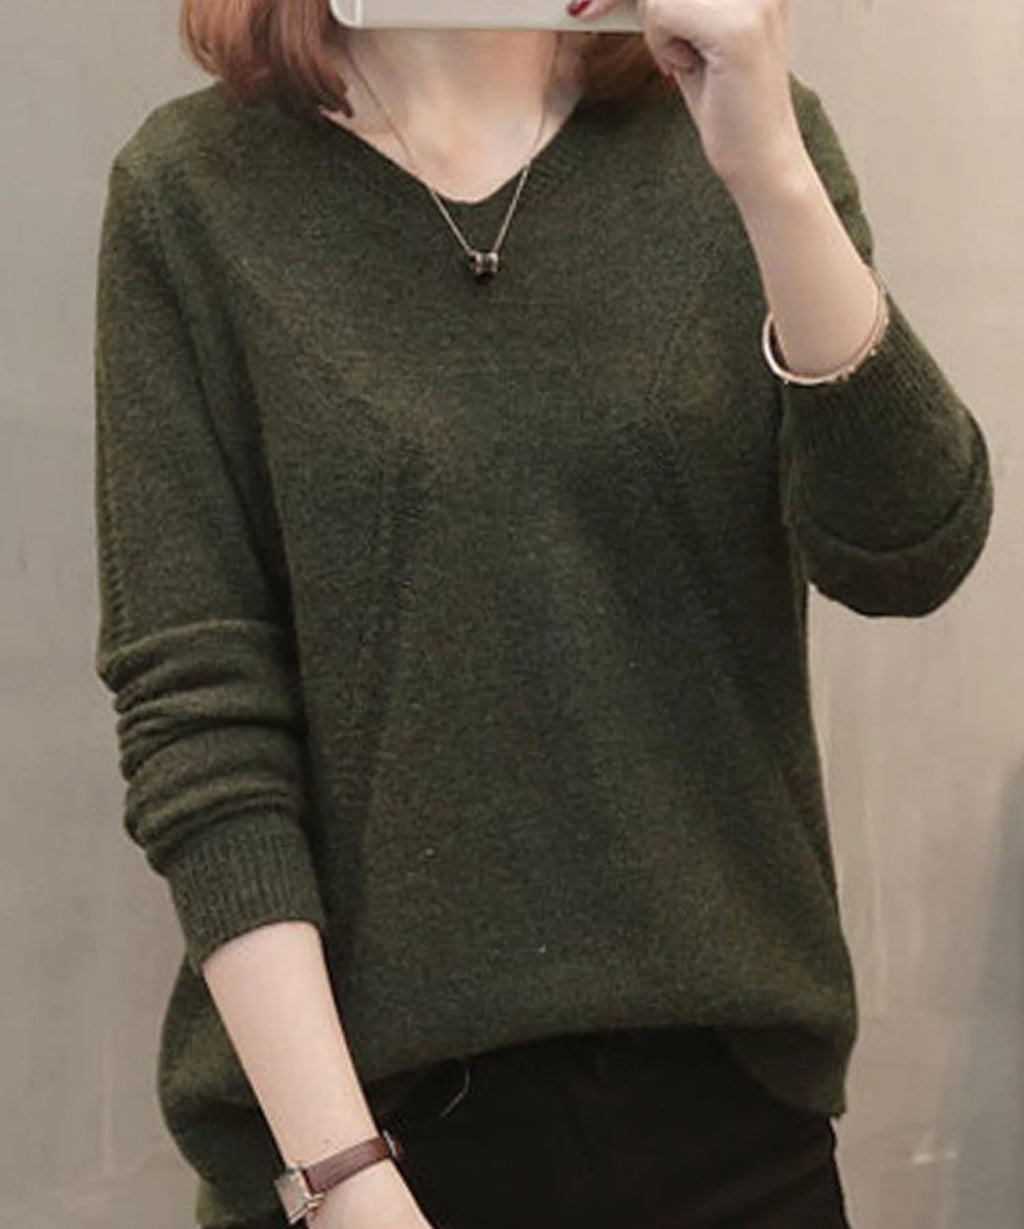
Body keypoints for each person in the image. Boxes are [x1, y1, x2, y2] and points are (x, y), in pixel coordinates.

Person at [91, 1, 994, 1227]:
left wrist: (770, 170)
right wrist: (343, 1178)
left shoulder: (734, 137)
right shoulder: (192, 193)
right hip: (369, 1140)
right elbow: (200, 721)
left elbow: (909, 547)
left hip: (732, 1123)